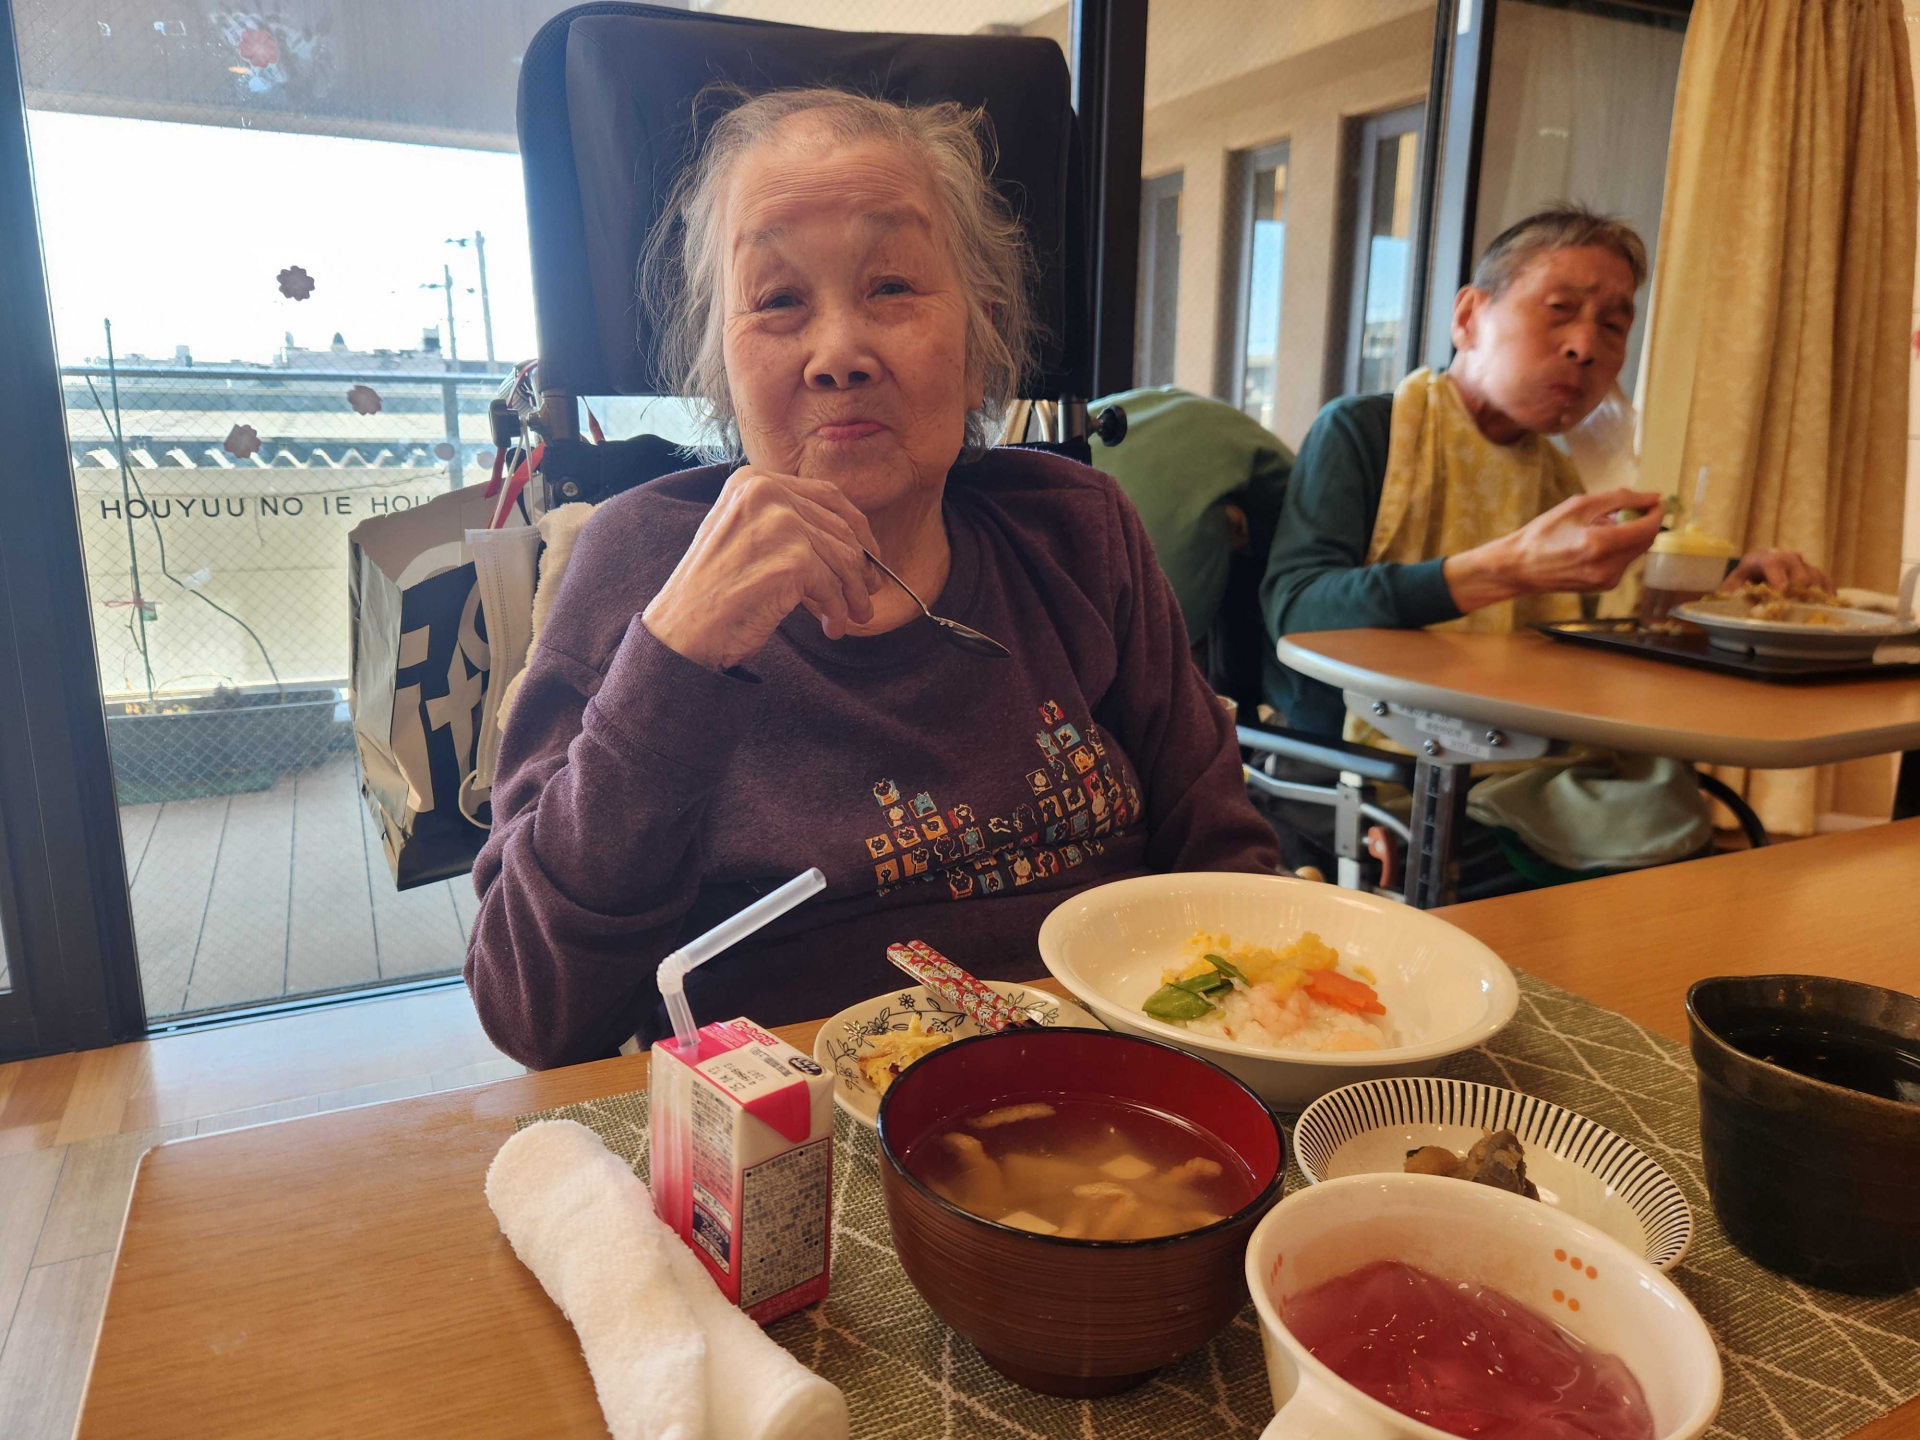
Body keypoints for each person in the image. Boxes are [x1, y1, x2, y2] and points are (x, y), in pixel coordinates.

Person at [465, 88, 1277, 1068]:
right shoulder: (637, 562)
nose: (839, 354)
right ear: (722, 366)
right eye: (777, 300)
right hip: (791, 1122)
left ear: (977, 345)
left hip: (1115, 1081)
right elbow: (534, 1012)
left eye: (891, 286)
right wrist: (673, 662)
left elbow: (1230, 869)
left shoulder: (1076, 531)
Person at [1262, 203, 1829, 738]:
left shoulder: (1564, 480)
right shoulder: (1366, 431)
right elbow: (1296, 608)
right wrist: (1509, 569)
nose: (1585, 347)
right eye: (1559, 309)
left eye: (1613, 327)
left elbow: (1602, 626)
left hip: (1533, 744)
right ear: (1468, 318)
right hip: (1372, 760)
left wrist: (1720, 586)